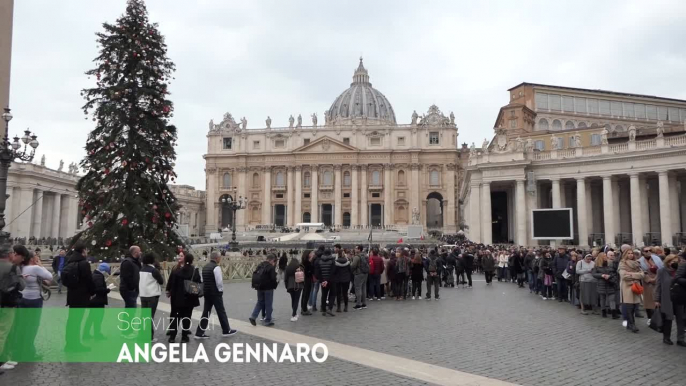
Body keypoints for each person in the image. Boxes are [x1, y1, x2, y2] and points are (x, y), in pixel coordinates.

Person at [15, 248, 52, 360]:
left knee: (21, 326)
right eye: (36, 256)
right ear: (32, 258)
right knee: (32, 327)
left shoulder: (20, 268)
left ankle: (19, 351)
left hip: (21, 299)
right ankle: (29, 352)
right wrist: (40, 264)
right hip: (34, 300)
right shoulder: (35, 268)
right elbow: (50, 277)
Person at [196, 251, 236, 338]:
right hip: (215, 293)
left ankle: (199, 332)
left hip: (207, 292)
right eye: (220, 257)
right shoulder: (216, 267)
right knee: (221, 311)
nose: (220, 259)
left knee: (206, 312)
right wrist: (221, 291)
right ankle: (226, 330)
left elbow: (203, 280)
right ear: (217, 258)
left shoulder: (205, 267)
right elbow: (219, 282)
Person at [64, 243, 95, 352]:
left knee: (72, 321)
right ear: (83, 251)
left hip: (72, 295)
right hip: (81, 295)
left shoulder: (69, 261)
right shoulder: (84, 263)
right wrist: (92, 292)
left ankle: (69, 343)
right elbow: (89, 280)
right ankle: (75, 345)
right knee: (77, 321)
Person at [166, 253, 201, 343]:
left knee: (175, 317)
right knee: (187, 317)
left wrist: (168, 291)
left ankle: (172, 337)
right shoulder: (194, 271)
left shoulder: (176, 271)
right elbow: (198, 284)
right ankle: (184, 337)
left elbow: (171, 283)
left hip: (177, 298)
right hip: (189, 298)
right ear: (192, 260)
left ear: (185, 260)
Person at [655, 254, 685, 346]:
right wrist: (657, 299)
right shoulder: (661, 271)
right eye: (672, 261)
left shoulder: (681, 271)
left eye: (676, 261)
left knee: (681, 319)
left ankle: (680, 339)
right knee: (668, 318)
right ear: (668, 262)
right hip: (667, 298)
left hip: (679, 298)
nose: (675, 263)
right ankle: (666, 337)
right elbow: (658, 286)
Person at [139, 252, 164, 342]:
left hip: (143, 295)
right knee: (150, 316)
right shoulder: (153, 270)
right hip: (152, 295)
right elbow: (161, 281)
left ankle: (141, 334)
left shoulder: (141, 269)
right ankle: (149, 336)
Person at [618, 249, 644, 333]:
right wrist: (636, 275)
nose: (630, 255)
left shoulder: (636, 263)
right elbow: (624, 276)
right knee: (629, 305)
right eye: (628, 253)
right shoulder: (622, 263)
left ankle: (630, 323)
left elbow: (642, 274)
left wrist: (631, 274)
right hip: (627, 286)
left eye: (631, 253)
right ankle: (632, 324)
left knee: (635, 305)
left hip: (636, 285)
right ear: (625, 254)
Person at [83, 262, 111, 341]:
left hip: (93, 300)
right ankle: (97, 334)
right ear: (104, 270)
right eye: (106, 272)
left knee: (91, 318)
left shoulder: (94, 274)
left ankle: (86, 333)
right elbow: (98, 289)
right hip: (98, 301)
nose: (106, 274)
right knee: (98, 318)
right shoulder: (99, 276)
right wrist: (107, 290)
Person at [249, 254, 278, 325]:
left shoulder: (260, 265)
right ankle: (268, 320)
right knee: (268, 303)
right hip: (268, 288)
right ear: (271, 260)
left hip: (259, 287)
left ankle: (253, 316)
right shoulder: (271, 267)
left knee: (260, 302)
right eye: (274, 261)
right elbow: (273, 278)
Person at [638, 246, 662, 321]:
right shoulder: (639, 261)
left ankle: (659, 317)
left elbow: (661, 268)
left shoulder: (657, 258)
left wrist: (656, 278)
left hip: (658, 280)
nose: (648, 252)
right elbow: (640, 271)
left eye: (649, 250)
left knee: (658, 299)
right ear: (642, 252)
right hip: (647, 283)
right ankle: (650, 318)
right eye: (646, 251)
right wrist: (649, 279)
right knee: (648, 301)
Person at [592, 252, 618, 319]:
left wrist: (609, 276)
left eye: (606, 256)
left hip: (610, 283)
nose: (605, 257)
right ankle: (603, 312)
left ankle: (613, 314)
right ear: (601, 257)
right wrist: (602, 275)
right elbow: (594, 274)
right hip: (601, 284)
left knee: (612, 299)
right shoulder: (597, 266)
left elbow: (614, 273)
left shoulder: (610, 264)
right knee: (602, 299)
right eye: (604, 256)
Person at [314, 249, 336, 316]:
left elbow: (317, 273)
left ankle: (323, 309)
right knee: (332, 294)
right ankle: (329, 308)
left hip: (323, 281)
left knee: (324, 295)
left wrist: (322, 280)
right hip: (331, 281)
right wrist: (328, 279)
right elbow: (333, 271)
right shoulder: (332, 261)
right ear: (330, 254)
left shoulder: (319, 261)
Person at [285, 256, 305, 321]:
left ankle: (294, 313)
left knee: (293, 300)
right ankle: (294, 314)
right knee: (296, 300)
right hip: (298, 285)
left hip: (290, 285)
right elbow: (303, 277)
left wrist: (286, 286)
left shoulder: (287, 268)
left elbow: (285, 278)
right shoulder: (300, 267)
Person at [351, 245, 368, 310]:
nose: (355, 249)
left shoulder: (357, 257)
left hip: (358, 274)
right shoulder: (365, 256)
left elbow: (353, 266)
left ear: (359, 249)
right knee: (364, 288)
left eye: (356, 248)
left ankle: (358, 304)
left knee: (358, 288)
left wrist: (352, 271)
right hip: (365, 273)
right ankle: (364, 303)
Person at [300, 250, 314, 316]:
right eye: (311, 253)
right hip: (307, 280)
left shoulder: (303, 262)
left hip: (304, 280)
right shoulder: (307, 263)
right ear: (308, 254)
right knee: (306, 294)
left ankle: (303, 308)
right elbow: (309, 272)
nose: (312, 254)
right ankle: (304, 309)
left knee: (304, 294)